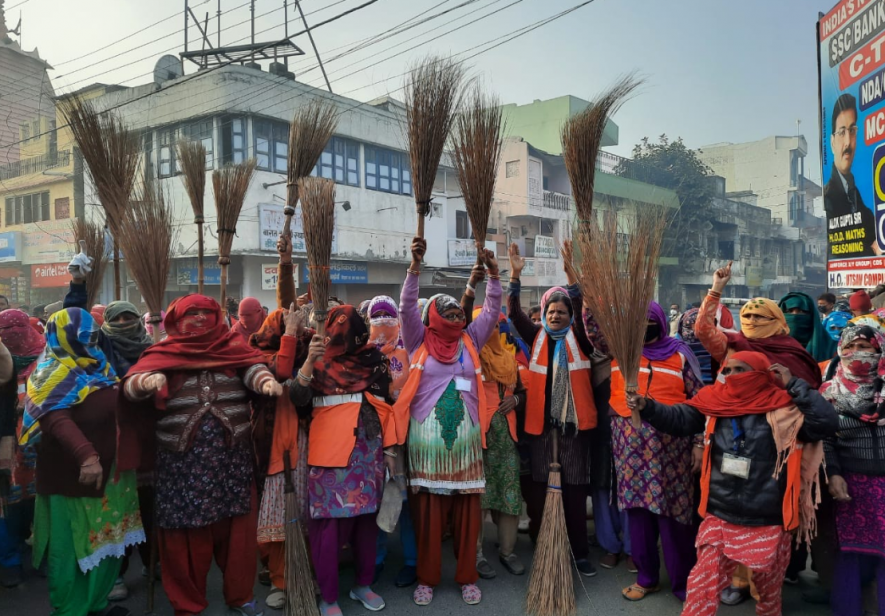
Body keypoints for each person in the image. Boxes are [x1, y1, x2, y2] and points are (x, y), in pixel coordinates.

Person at [627, 351, 837, 616]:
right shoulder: (715, 402)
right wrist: (648, 406)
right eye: (728, 370)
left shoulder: (786, 408)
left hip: (767, 517)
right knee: (703, 582)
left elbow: (826, 423)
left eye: (741, 370)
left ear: (763, 374)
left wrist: (794, 384)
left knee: (768, 589)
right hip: (720, 513)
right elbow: (679, 418)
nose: (732, 376)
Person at [122, 294, 282, 616]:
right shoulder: (162, 351)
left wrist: (265, 382)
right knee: (184, 538)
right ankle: (188, 604)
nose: (198, 319)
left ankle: (240, 597)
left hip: (230, 462)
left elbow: (252, 368)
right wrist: (146, 381)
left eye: (205, 313)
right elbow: (129, 387)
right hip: (182, 466)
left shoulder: (232, 346)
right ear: (176, 319)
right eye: (190, 314)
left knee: (236, 536)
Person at [394, 237, 501, 606]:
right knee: (429, 519)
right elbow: (407, 306)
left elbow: (491, 309)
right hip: (426, 444)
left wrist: (494, 275)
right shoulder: (417, 339)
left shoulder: (470, 339)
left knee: (468, 517)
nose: (457, 316)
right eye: (449, 312)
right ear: (434, 317)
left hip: (467, 443)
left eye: (459, 312)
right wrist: (414, 266)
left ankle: (467, 577)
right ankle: (427, 578)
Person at [22, 308, 146, 616]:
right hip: (74, 477)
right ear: (62, 337)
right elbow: (55, 419)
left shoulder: (98, 366)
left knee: (107, 544)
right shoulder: (48, 372)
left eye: (93, 336)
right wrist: (87, 456)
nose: (90, 342)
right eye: (83, 338)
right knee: (73, 548)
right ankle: (71, 609)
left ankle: (97, 603)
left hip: (112, 476)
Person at [588, 300, 703, 602]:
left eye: (650, 321)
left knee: (674, 518)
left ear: (662, 323)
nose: (645, 328)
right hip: (630, 450)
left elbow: (700, 403)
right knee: (637, 515)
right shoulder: (620, 351)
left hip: (672, 451)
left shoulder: (680, 354)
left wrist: (699, 444)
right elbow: (592, 330)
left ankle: (684, 585)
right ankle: (646, 578)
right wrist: (586, 294)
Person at [288, 305, 394, 616]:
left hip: (367, 453)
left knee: (366, 524)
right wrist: (309, 359)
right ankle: (328, 596)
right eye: (337, 327)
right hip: (329, 454)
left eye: (347, 328)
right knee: (328, 530)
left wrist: (390, 451)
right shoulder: (316, 359)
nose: (339, 334)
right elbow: (297, 398)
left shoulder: (374, 360)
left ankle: (362, 585)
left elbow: (385, 405)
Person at [507, 241, 601, 578]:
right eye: (551, 311)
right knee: (543, 492)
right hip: (541, 431)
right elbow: (515, 315)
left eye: (561, 311)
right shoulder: (535, 338)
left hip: (574, 432)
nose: (556, 315)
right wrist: (515, 277)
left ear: (570, 316)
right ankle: (545, 543)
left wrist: (570, 272)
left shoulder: (581, 337)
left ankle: (579, 552)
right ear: (544, 314)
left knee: (574, 494)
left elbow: (579, 301)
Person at [819, 320, 885, 616]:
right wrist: (833, 473)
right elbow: (825, 440)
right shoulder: (828, 391)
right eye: (850, 347)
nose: (857, 353)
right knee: (852, 552)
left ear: (879, 349)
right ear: (839, 350)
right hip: (850, 482)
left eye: (865, 347)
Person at [367, 294, 418, 588]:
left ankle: (411, 560)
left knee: (406, 500)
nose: (383, 324)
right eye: (377, 318)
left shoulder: (408, 351)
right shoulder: (363, 352)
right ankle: (377, 558)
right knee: (377, 499)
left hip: (405, 433)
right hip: (373, 435)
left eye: (388, 317)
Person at [472, 308, 527, 579]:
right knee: (477, 498)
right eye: (485, 326)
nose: (491, 332)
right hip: (476, 437)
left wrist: (516, 400)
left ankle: (508, 551)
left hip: (506, 438)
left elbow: (524, 392)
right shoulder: (467, 359)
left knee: (508, 495)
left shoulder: (510, 357)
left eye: (496, 326)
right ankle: (476, 554)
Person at [0, 309, 44, 588]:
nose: (14, 334)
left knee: (43, 504)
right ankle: (12, 560)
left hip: (42, 443)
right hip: (7, 445)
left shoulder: (45, 357)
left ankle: (43, 555)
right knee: (9, 506)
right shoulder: (2, 361)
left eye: (19, 327)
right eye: (6, 330)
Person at [824, 93, 876, 259]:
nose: (848, 142)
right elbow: (837, 249)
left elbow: (869, 222)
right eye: (842, 132)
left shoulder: (854, 192)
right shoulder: (829, 197)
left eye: (852, 131)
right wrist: (873, 250)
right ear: (832, 143)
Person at [779, 292, 837, 362]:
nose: (794, 317)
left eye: (801, 311)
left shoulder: (831, 348)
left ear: (812, 315)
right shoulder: (770, 348)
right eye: (789, 311)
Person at [677, 308, 717, 385]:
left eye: (701, 328)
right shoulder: (673, 352)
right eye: (688, 327)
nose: (695, 333)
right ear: (681, 329)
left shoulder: (723, 351)